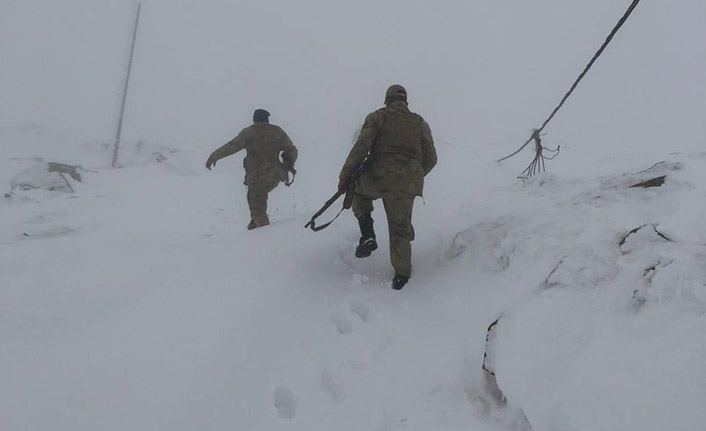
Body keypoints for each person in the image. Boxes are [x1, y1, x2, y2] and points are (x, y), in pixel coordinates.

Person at [338, 85, 437, 289]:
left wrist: (345, 175)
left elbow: (361, 147)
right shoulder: (419, 122)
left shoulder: (378, 117)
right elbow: (432, 158)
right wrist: (414, 175)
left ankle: (368, 234)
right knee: (400, 227)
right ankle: (401, 276)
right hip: (408, 183)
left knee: (356, 190)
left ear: (387, 100)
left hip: (378, 178)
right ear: (406, 101)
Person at [206, 109, 298, 230]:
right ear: (267, 119)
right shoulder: (277, 131)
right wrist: (289, 162)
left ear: (254, 119)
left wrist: (214, 156)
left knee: (258, 211)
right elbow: (292, 150)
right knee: (257, 201)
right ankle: (255, 224)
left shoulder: (249, 132)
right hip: (275, 174)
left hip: (257, 177)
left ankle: (266, 237)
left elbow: (231, 146)